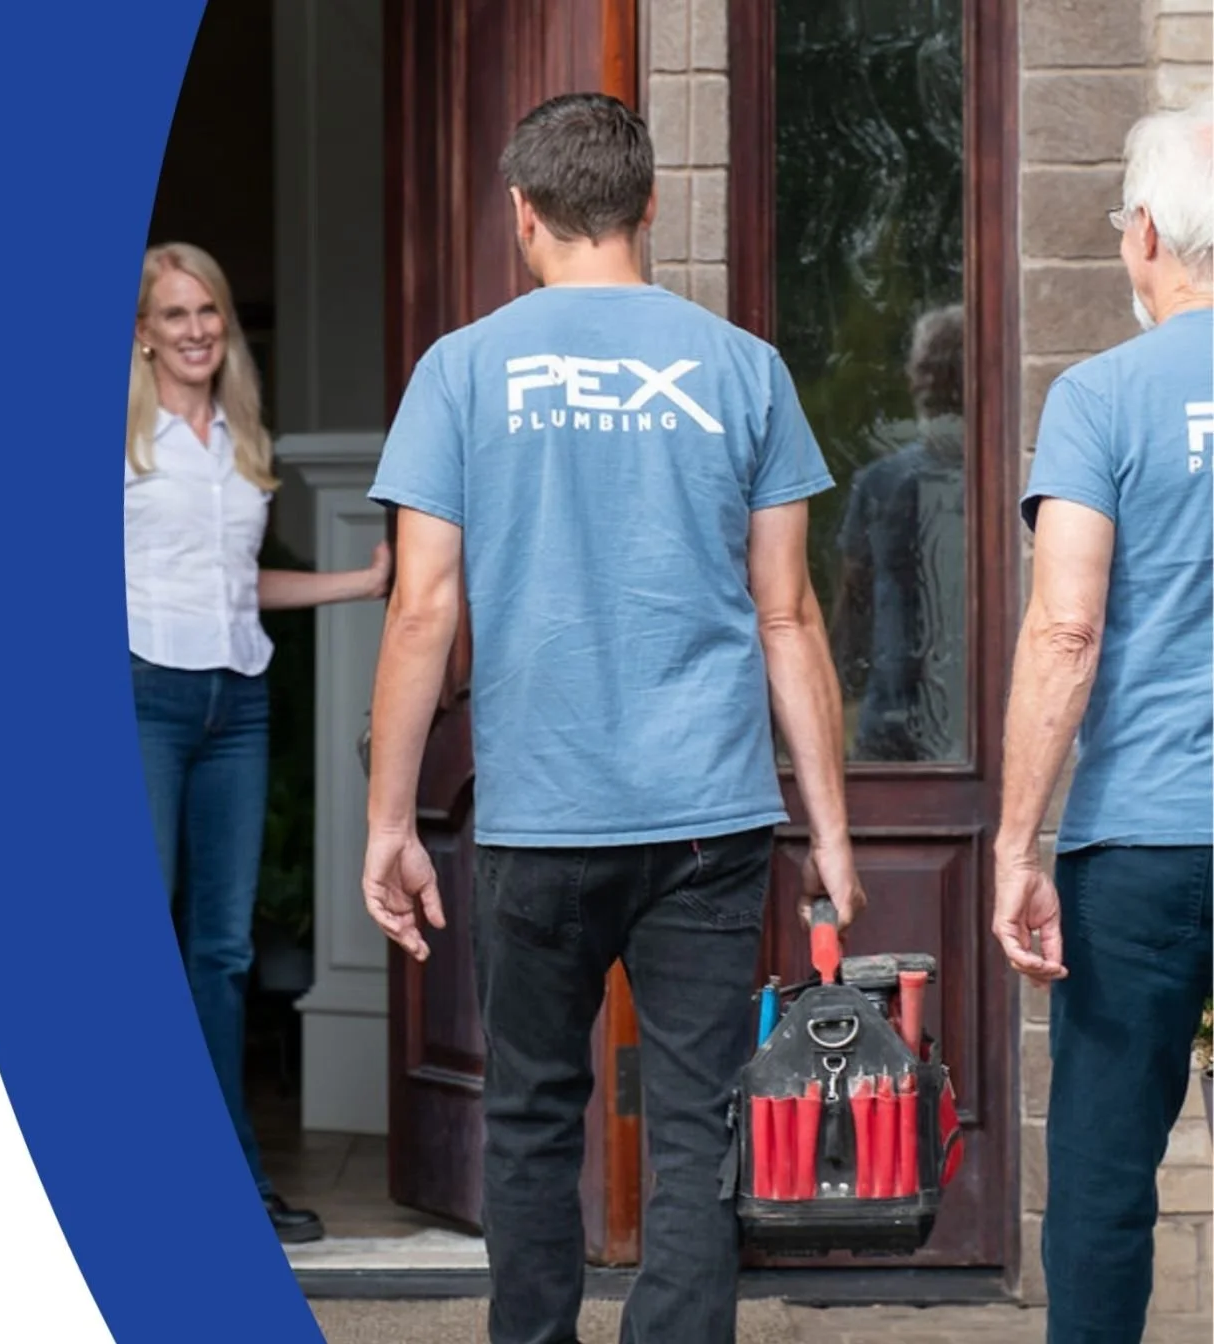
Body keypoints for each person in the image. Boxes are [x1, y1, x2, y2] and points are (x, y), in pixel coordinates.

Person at [357, 94, 866, 1342]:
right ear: (649, 207)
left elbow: (424, 611)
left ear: (523, 215)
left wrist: (389, 824)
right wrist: (836, 836)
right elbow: (788, 616)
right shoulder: (744, 368)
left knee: (531, 1113)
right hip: (710, 820)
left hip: (537, 816)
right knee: (696, 1121)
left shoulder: (462, 370)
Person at [992, 97, 1214, 1344]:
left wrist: (1019, 847)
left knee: (1101, 1182)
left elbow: (1066, 633)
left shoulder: (1100, 397)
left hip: (1136, 851)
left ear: (1142, 236)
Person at [124, 241, 392, 1245]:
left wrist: (356, 586)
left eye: (210, 312)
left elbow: (241, 589)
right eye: (176, 314)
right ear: (143, 333)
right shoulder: (117, 436)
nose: (197, 330)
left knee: (224, 954)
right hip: (143, 694)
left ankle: (232, 1178)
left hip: (236, 703)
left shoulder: (239, 437)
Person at [832, 304, 967, 762]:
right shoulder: (878, 483)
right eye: (923, 367)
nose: (927, 380)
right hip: (886, 718)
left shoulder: (1000, 482)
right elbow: (851, 605)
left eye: (942, 367)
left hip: (972, 724)